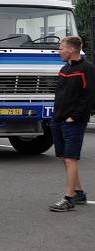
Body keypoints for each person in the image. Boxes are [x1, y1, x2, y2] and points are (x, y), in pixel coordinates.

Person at [48, 36, 95, 212]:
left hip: (73, 122)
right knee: (64, 158)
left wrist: (74, 117)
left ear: (72, 50)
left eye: (61, 48)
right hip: (58, 120)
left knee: (71, 158)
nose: (59, 51)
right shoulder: (64, 69)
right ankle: (79, 193)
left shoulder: (87, 69)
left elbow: (89, 96)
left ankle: (68, 199)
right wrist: (55, 117)